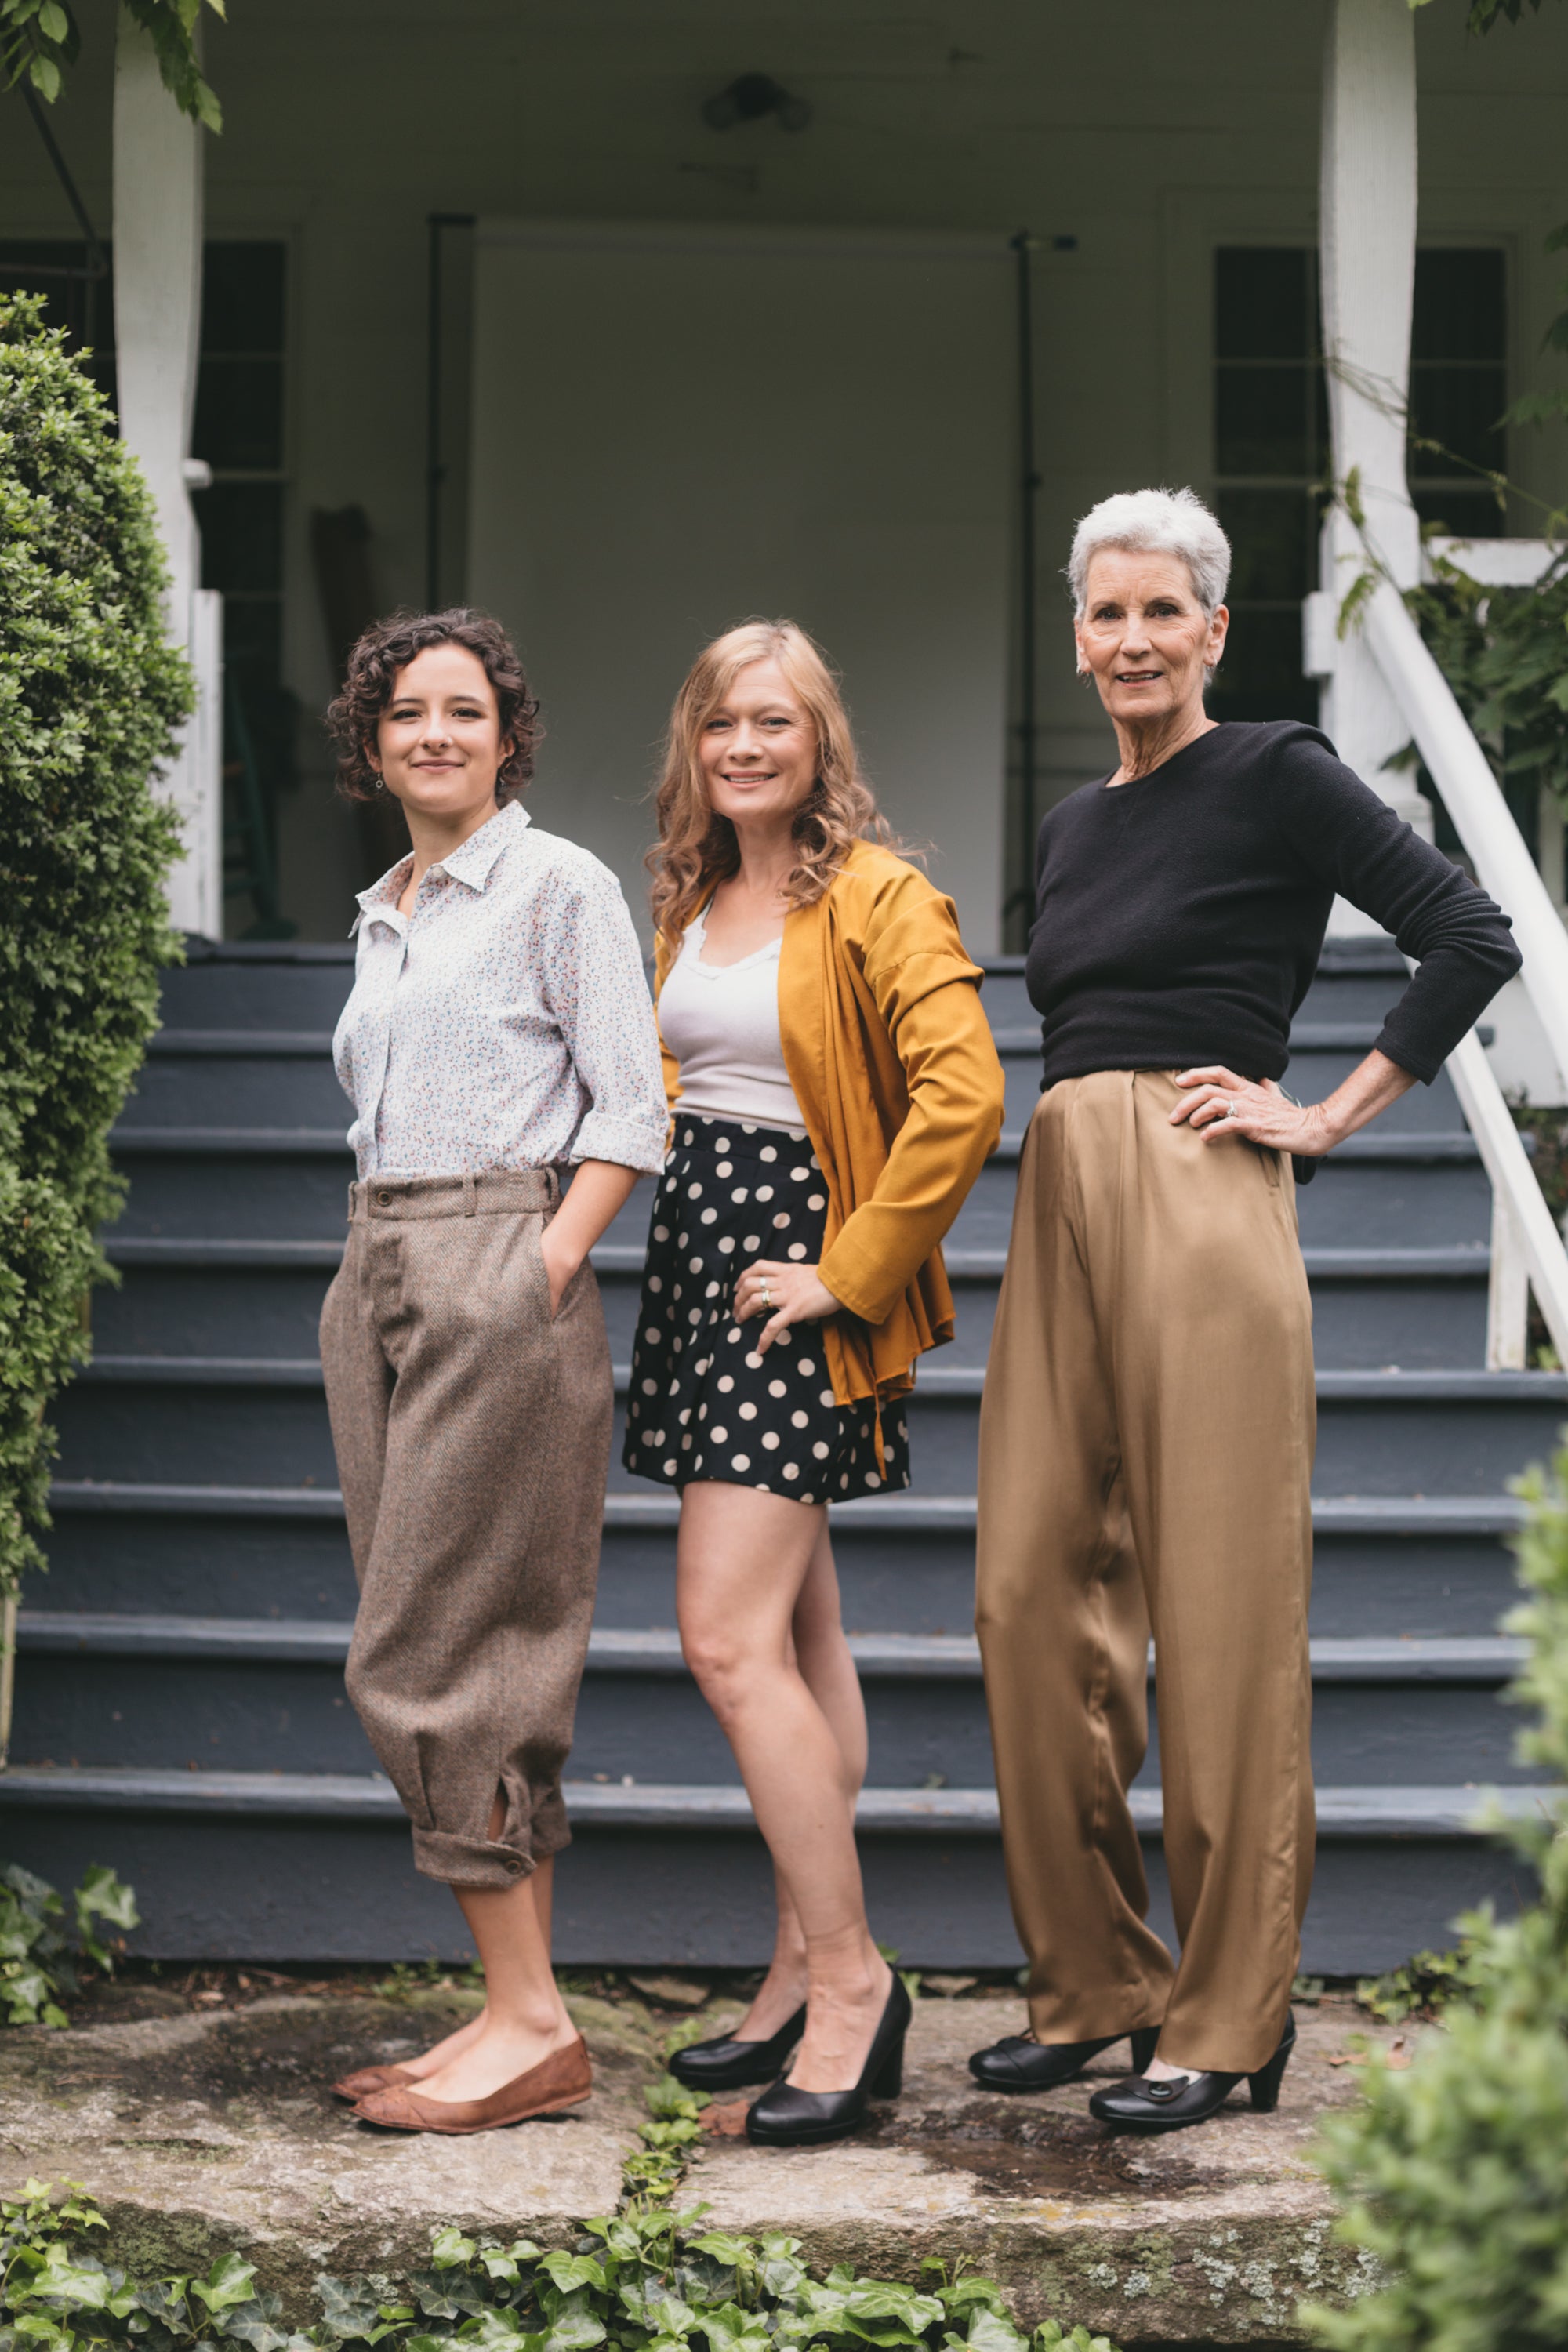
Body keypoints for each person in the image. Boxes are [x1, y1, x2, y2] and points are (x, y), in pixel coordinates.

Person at [971, 488, 1521, 2133]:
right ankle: (1096, 1983)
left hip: (1205, 1185)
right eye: (1104, 615)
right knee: (1022, 1592)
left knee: (1217, 1611)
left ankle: (1225, 2020)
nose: (1129, 640)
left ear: (1214, 628)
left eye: (1162, 612)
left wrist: (1325, 1111)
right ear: (1077, 635)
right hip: (1062, 1172)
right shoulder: (1072, 827)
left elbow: (1465, 933)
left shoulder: (1273, 769)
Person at [625, 619, 1005, 2147]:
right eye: (721, 722)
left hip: (798, 1278)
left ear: (819, 741)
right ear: (693, 743)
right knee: (794, 1626)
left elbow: (962, 1088)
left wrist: (849, 1271)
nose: (745, 747)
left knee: (724, 1640)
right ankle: (793, 1967)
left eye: (774, 722)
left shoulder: (878, 897)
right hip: (697, 1262)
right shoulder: (688, 892)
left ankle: (853, 1983)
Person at [317, 608, 667, 2135]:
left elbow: (631, 1105)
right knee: (417, 1632)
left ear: (508, 735)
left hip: (496, 1261)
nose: (436, 732)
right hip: (379, 1259)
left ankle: (531, 2024)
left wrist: (539, 1262)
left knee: (442, 1645)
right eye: (408, 711)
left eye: (465, 709)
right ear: (373, 740)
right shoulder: (385, 907)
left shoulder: (556, 884)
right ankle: (511, 2011)